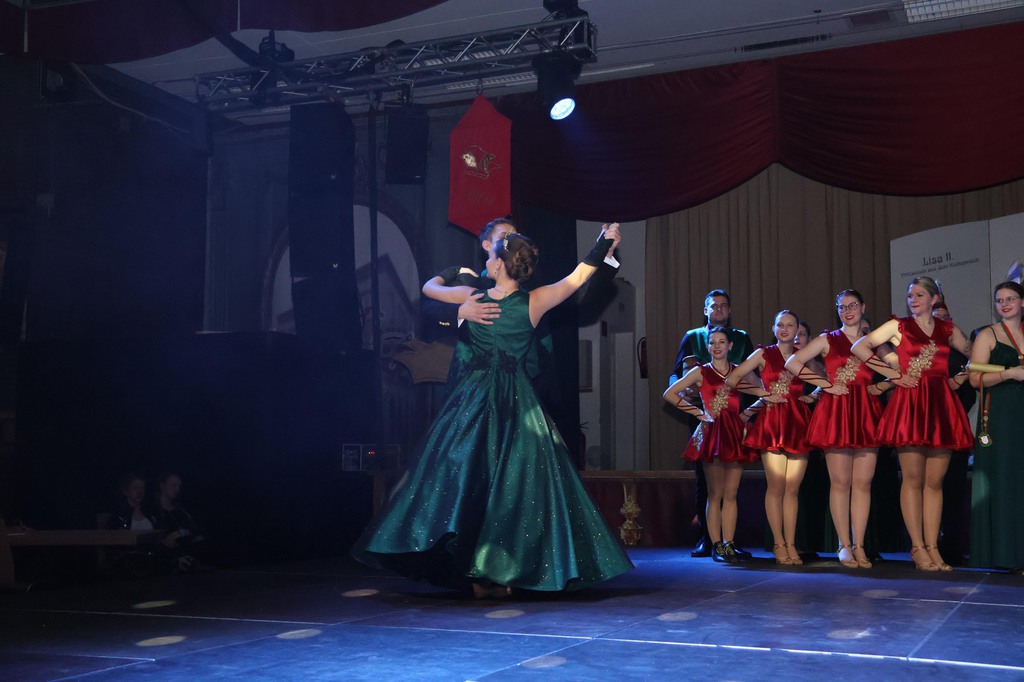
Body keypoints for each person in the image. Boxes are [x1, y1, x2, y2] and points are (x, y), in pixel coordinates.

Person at [351, 225, 633, 596]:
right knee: (512, 487)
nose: (485, 261)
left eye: (490, 256)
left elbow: (429, 288)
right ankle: (498, 571)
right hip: (515, 401)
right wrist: (603, 243)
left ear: (499, 265)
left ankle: (487, 571)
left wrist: (454, 282)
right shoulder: (534, 301)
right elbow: (579, 276)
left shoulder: (472, 296)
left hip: (476, 398)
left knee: (475, 482)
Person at [850, 276, 972, 571]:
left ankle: (933, 547)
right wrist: (893, 374)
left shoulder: (947, 329)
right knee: (913, 479)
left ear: (934, 298)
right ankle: (917, 547)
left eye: (919, 295)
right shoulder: (899, 326)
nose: (913, 300)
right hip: (911, 404)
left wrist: (962, 376)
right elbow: (861, 346)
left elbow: (974, 353)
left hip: (940, 404)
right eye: (910, 295)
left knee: (934, 483)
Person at [785, 290, 889, 569]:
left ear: (862, 307)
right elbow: (792, 363)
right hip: (837, 411)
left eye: (852, 305)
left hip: (866, 411)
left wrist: (885, 383)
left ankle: (860, 545)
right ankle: (843, 544)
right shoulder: (827, 339)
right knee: (841, 483)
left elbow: (900, 367)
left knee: (863, 484)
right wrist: (826, 384)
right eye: (842, 307)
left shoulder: (874, 341)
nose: (847, 311)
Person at [669, 290, 754, 558]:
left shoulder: (741, 338)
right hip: (706, 418)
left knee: (731, 490)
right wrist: (688, 400)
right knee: (706, 483)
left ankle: (728, 541)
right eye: (714, 306)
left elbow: (755, 380)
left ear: (729, 311)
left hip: (734, 419)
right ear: (705, 310)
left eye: (723, 306)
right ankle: (708, 539)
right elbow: (676, 375)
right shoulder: (693, 337)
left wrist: (750, 411)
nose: (719, 309)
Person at [729, 311, 813, 566]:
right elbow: (733, 378)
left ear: (797, 330)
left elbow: (825, 379)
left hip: (798, 423)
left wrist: (814, 394)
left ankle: (791, 543)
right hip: (772, 423)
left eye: (790, 325)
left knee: (792, 489)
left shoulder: (803, 355)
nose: (785, 329)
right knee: (776, 487)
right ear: (773, 328)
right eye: (780, 325)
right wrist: (762, 393)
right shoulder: (763, 354)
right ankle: (778, 543)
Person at [968, 281, 1024, 574]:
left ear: (1022, 302)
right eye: (999, 300)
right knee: (1005, 479)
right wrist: (1009, 374)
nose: (1005, 304)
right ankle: (1008, 554)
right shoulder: (987, 335)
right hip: (1000, 416)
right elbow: (974, 378)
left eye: (1010, 299)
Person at [152, 471, 206, 571]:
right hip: (163, 553)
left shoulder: (180, 511)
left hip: (183, 549)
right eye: (173, 485)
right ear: (163, 486)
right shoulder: (152, 511)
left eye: (178, 486)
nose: (177, 489)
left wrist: (181, 533)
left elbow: (193, 530)